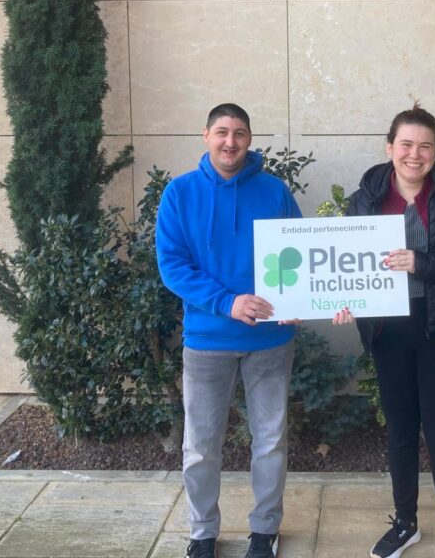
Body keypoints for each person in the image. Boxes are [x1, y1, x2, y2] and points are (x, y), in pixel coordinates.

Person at [333, 103, 435, 558]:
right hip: (388, 332)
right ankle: (405, 523)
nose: (414, 154)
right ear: (389, 148)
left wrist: (422, 263)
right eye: (406, 144)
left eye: (425, 146)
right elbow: (344, 264)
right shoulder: (365, 197)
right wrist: (341, 299)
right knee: (400, 432)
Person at [157, 103, 302, 558]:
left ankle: (265, 530)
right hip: (207, 341)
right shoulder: (180, 194)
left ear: (250, 139)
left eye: (240, 133)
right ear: (205, 136)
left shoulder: (275, 191)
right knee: (200, 447)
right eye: (222, 132)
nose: (230, 141)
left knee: (271, 440)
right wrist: (227, 301)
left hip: (269, 342)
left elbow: (300, 252)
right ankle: (202, 533)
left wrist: (301, 300)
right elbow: (172, 266)